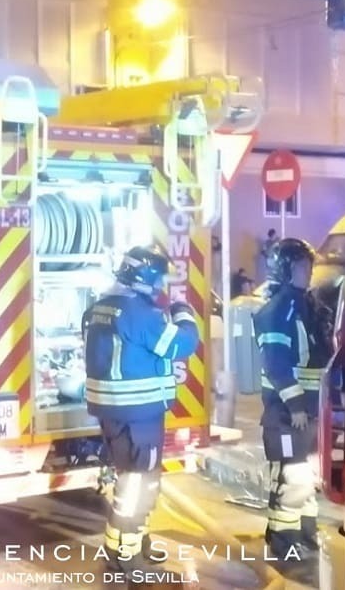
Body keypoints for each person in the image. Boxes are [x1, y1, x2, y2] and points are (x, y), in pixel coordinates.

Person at [83, 245, 200, 577]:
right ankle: (125, 557)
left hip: (112, 412)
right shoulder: (141, 313)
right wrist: (183, 313)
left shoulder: (98, 308)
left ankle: (134, 544)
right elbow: (181, 345)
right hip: (139, 415)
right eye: (160, 278)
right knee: (139, 485)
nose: (161, 285)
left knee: (129, 479)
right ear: (147, 277)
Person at [252, 238, 325, 561]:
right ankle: (283, 540)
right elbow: (276, 363)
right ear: (285, 270)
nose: (308, 273)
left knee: (307, 475)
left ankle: (305, 533)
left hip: (309, 410)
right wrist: (296, 405)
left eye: (310, 267)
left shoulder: (306, 304)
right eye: (301, 267)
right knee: (291, 477)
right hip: (287, 412)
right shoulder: (278, 310)